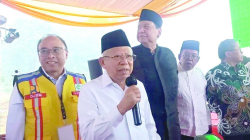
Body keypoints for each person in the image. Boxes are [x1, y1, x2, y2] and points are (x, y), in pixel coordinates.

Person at [78, 29, 160, 140]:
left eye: (129, 56)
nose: (125, 62)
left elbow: (149, 126)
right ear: (103, 62)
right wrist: (121, 108)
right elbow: (89, 135)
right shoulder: (89, 90)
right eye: (117, 57)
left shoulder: (138, 85)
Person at [6, 35, 86, 140]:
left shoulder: (80, 81)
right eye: (44, 51)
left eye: (56, 50)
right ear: (39, 56)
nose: (50, 55)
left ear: (66, 54)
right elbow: (14, 127)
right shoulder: (23, 83)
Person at [131, 9, 181, 140]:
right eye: (139, 27)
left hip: (171, 123)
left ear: (159, 31)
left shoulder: (168, 54)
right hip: (145, 122)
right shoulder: (130, 56)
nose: (141, 30)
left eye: (146, 26)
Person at [206, 39, 250, 140]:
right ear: (228, 53)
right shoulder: (214, 73)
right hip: (231, 129)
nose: (241, 52)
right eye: (238, 49)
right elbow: (211, 101)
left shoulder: (243, 69)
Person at [177, 40, 211, 140]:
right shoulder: (172, 74)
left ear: (198, 59)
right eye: (186, 55)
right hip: (182, 129)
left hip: (202, 127)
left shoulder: (200, 74)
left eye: (193, 56)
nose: (190, 59)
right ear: (179, 56)